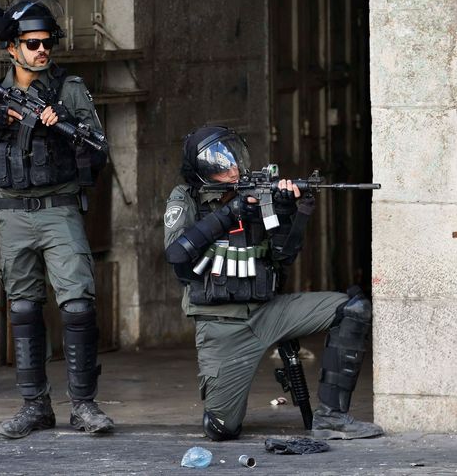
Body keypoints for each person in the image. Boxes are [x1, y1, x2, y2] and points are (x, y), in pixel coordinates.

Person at [0, 0, 113, 439]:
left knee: (78, 305)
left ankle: (83, 406)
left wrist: (66, 126)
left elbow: (100, 157)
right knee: (23, 307)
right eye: (31, 43)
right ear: (12, 47)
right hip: (11, 215)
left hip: (58, 211)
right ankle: (35, 406)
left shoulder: (70, 91)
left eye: (46, 42)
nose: (41, 49)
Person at [163, 126, 383, 441]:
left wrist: (290, 212)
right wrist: (229, 214)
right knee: (222, 428)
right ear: (202, 170)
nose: (233, 168)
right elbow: (175, 254)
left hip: (271, 312)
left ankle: (332, 418)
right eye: (221, 164)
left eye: (234, 159)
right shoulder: (185, 198)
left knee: (353, 308)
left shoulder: (256, 196)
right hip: (221, 325)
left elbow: (283, 257)